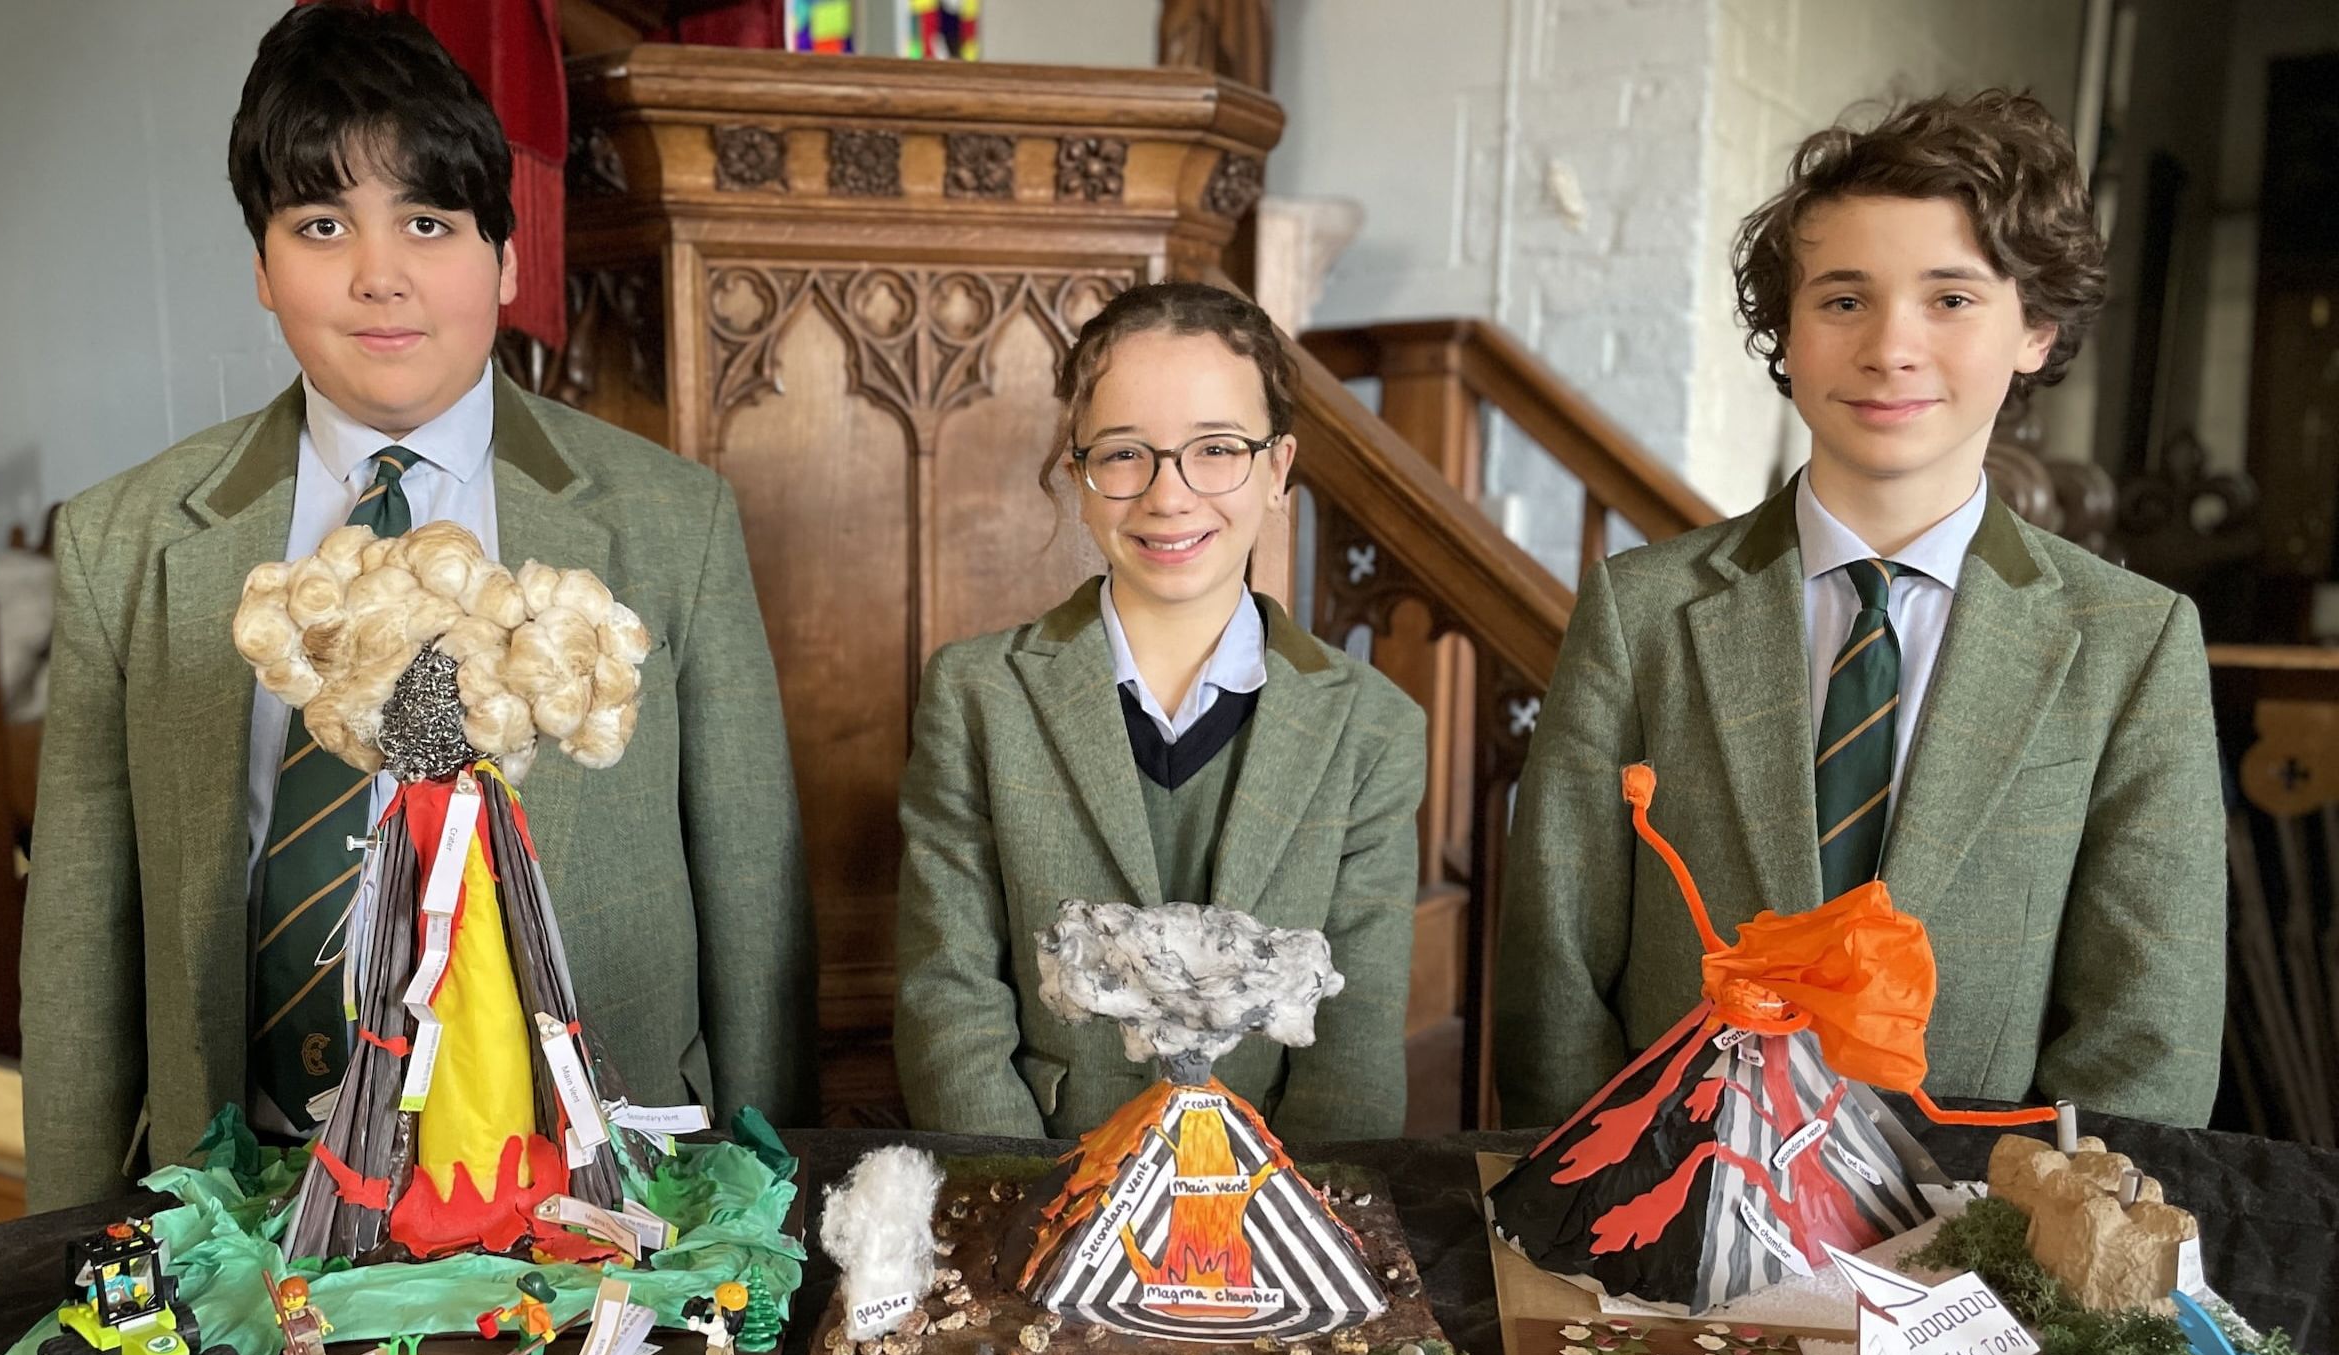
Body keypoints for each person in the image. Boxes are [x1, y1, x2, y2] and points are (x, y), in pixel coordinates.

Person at [18, 0, 814, 1210]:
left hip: (598, 1193)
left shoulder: (671, 522)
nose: (378, 275)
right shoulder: (123, 542)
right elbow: (77, 941)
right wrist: (68, 1236)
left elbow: (754, 907)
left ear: (504, 257)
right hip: (253, 1188)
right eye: (322, 222)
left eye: (429, 221)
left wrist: (766, 1200)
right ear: (262, 266)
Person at [1496, 90, 2226, 1130]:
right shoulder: (1640, 609)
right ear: (1785, 333)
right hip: (1672, 1205)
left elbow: (2147, 1032)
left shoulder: (2131, 641)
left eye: (1950, 299)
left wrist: (2026, 1257)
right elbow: (1554, 969)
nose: (1890, 346)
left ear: (2037, 329)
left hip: (1977, 1229)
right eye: (1843, 300)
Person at [894, 280, 1426, 1141]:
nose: (1169, 496)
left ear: (1278, 467)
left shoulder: (1371, 727)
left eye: (1216, 449)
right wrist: (1028, 1201)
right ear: (1078, 473)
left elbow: (1353, 1042)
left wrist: (1282, 1228)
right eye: (1124, 453)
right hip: (1042, 1195)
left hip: (1269, 1216)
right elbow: (950, 997)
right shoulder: (978, 694)